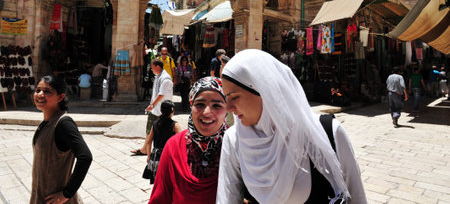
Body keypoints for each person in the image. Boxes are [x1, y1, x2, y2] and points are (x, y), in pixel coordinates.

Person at [217, 49, 367, 204]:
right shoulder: (235, 140)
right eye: (226, 97)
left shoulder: (326, 132)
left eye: (234, 97)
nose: (228, 108)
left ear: (264, 90)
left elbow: (357, 198)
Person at [148, 77, 228, 204]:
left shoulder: (238, 147)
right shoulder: (173, 146)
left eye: (217, 105)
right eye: (200, 104)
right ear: (191, 106)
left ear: (227, 110)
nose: (207, 112)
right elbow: (160, 198)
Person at [31, 75, 92, 204]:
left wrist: (67, 193)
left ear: (60, 97)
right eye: (37, 90)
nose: (40, 94)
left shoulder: (63, 123)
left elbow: (85, 157)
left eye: (47, 91)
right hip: (41, 195)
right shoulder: (47, 122)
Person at [131, 59, 173, 156]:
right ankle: (145, 149)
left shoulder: (165, 78)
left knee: (158, 130)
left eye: (153, 67)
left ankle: (151, 150)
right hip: (156, 109)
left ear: (158, 67)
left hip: (160, 110)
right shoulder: (159, 77)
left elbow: (161, 94)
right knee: (150, 129)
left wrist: (152, 105)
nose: (151, 69)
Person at [145, 100, 182, 184]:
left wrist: (149, 155)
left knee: (158, 182)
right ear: (172, 111)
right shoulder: (175, 125)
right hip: (168, 156)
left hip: (156, 158)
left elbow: (148, 141)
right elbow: (182, 140)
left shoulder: (155, 123)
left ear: (161, 111)